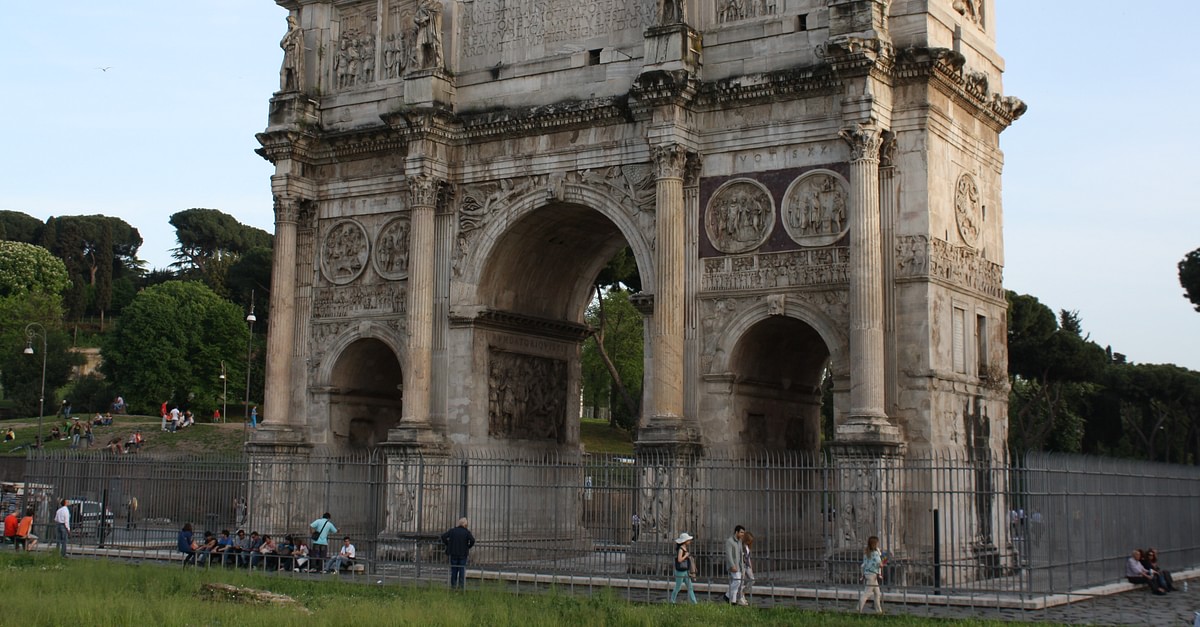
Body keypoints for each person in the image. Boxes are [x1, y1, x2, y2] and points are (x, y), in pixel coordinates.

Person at [440, 517, 475, 589]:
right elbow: (472, 540)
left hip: (453, 553)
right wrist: (468, 546)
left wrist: (448, 544)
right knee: (462, 570)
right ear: (465, 524)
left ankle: (453, 586)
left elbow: (443, 536)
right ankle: (461, 587)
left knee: (454, 570)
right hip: (463, 554)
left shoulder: (453, 531)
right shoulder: (466, 532)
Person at [857, 535, 884, 613]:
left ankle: (879, 611)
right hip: (872, 575)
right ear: (875, 544)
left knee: (877, 593)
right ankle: (858, 610)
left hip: (868, 574)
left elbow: (865, 563)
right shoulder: (875, 553)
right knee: (867, 593)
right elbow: (880, 564)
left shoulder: (867, 552)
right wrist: (883, 562)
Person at [670, 532, 697, 604]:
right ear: (685, 541)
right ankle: (672, 601)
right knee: (678, 587)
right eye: (688, 540)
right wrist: (686, 556)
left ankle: (694, 602)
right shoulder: (681, 549)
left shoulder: (684, 548)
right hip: (680, 571)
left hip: (685, 570)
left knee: (690, 587)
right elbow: (679, 559)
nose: (689, 541)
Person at [723, 525, 746, 605]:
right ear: (736, 532)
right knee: (737, 581)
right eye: (741, 532)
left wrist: (742, 565)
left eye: (743, 532)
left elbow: (740, 554)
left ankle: (733, 601)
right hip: (733, 566)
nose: (743, 534)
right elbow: (729, 555)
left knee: (737, 583)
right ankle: (727, 595)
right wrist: (732, 565)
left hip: (739, 566)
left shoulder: (739, 541)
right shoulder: (730, 541)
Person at [737, 530, 756, 605]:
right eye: (748, 541)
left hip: (747, 565)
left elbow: (748, 557)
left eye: (750, 541)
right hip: (742, 565)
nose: (749, 542)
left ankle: (742, 593)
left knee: (752, 580)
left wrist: (750, 565)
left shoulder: (747, 547)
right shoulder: (741, 546)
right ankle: (740, 598)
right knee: (741, 582)